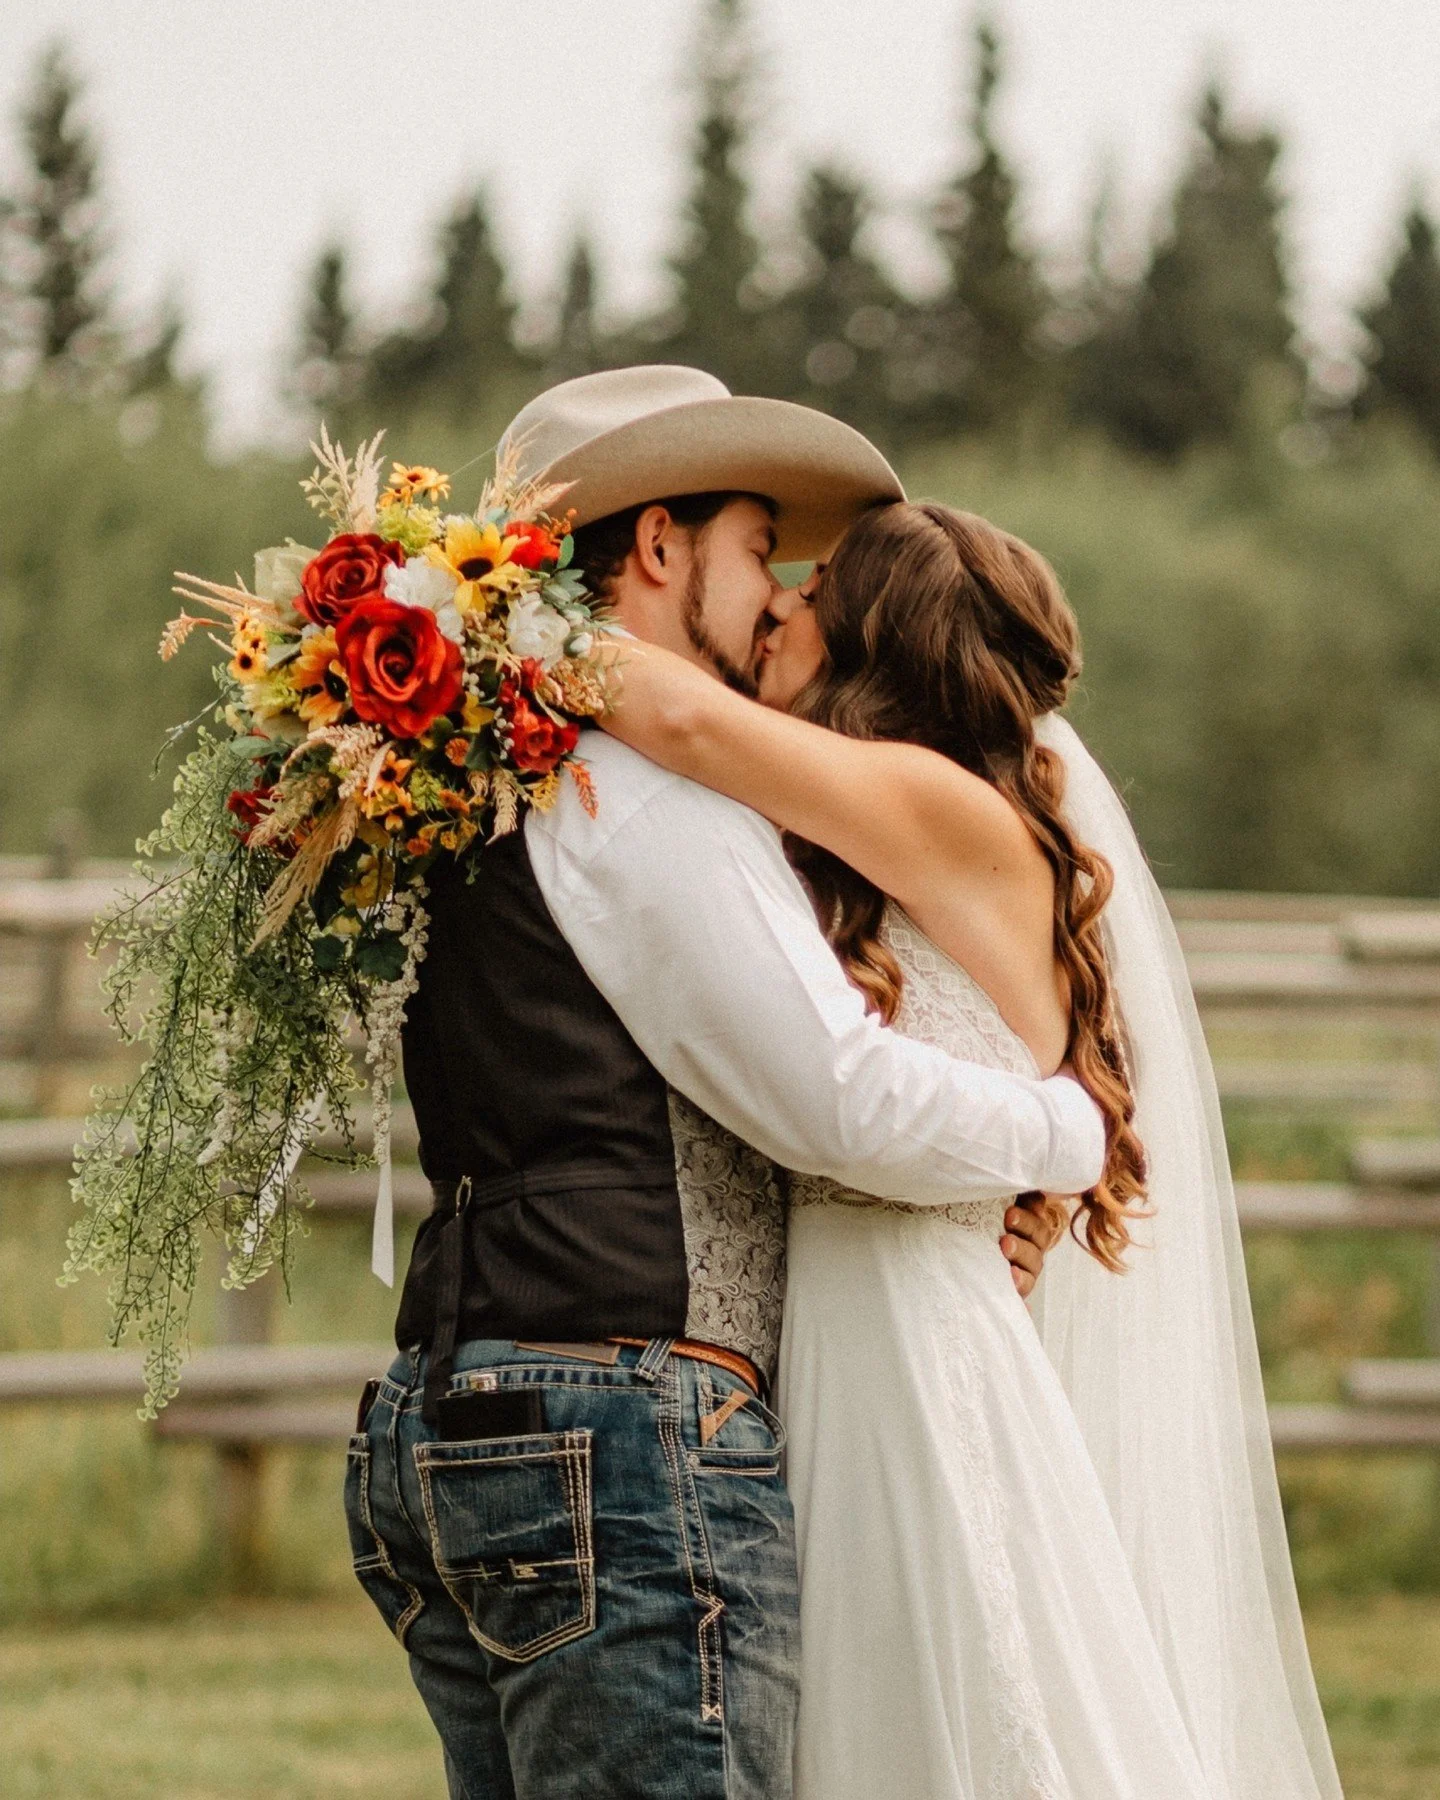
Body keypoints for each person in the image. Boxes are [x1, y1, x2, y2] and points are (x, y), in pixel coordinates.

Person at [343, 366, 1105, 1800]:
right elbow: (837, 1102)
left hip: (468, 1397)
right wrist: (1063, 1130)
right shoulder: (647, 793)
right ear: (656, 546)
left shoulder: (467, 787)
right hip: (624, 1425)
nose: (773, 600)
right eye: (762, 551)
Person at [598, 498, 1345, 1799]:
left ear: (875, 640)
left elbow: (684, 721)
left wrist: (475, 621)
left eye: (816, 588)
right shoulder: (892, 826)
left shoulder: (938, 803)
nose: (780, 600)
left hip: (905, 1349)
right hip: (849, 1328)